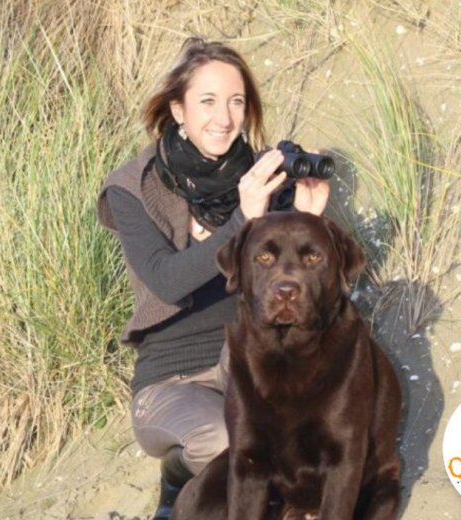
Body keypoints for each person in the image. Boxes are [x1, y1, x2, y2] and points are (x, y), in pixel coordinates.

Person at [97, 37, 330, 519]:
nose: (224, 118)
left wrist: (310, 221)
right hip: (170, 379)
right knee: (227, 442)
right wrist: (244, 220)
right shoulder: (132, 188)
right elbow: (165, 280)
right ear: (178, 109)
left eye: (236, 101)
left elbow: (302, 293)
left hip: (244, 360)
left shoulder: (265, 181)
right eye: (207, 101)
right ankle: (177, 480)